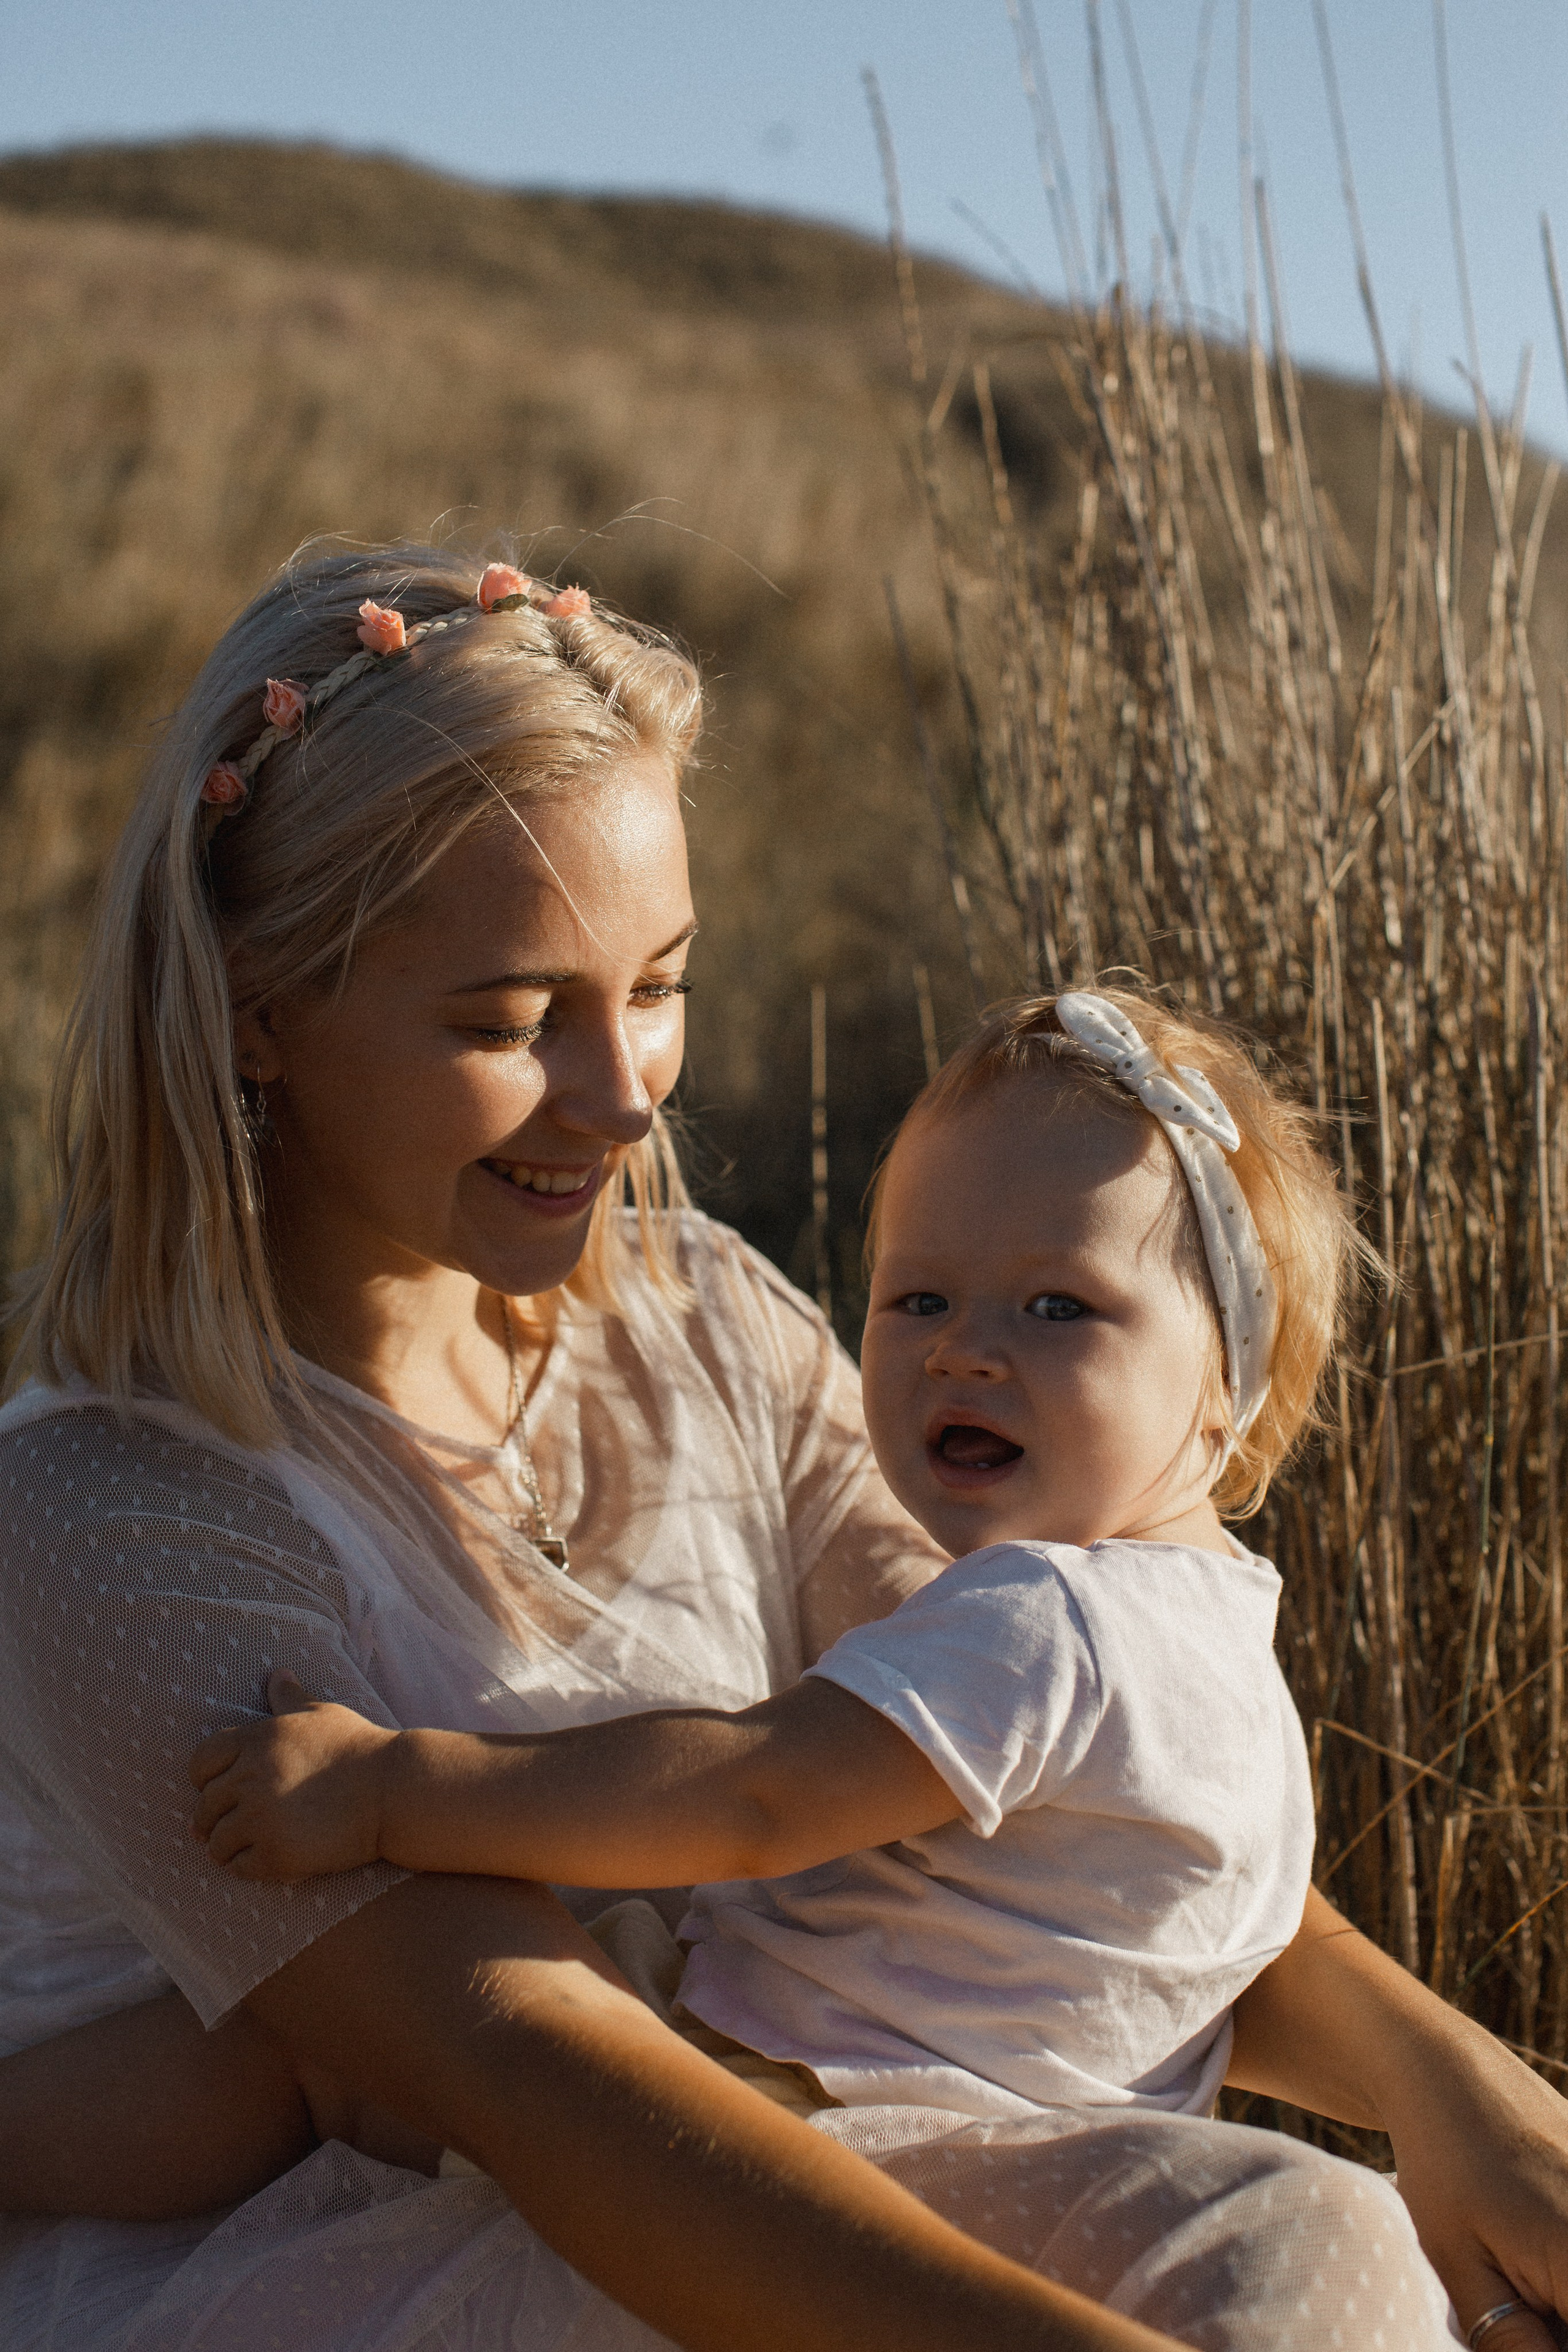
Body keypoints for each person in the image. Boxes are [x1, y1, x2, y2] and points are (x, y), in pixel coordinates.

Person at [0, 543, 1559, 2352]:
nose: (624, 1092)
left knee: (1333, 2254)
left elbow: (1027, 1780)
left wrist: (1460, 2092)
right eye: (512, 1021)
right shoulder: (107, 1507)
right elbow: (543, 2086)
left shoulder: (708, 1321)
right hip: (415, 2261)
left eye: (656, 985)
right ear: (259, 1005)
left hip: (769, 2160)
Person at [190, 986, 1342, 2150]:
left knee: (316, 2061)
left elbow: (750, 1795)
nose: (961, 1350)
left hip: (791, 2111)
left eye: (1058, 1306)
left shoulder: (1048, 1621)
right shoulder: (1238, 1665)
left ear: (1226, 1394)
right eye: (919, 1296)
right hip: (1019, 2165)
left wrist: (388, 1790)